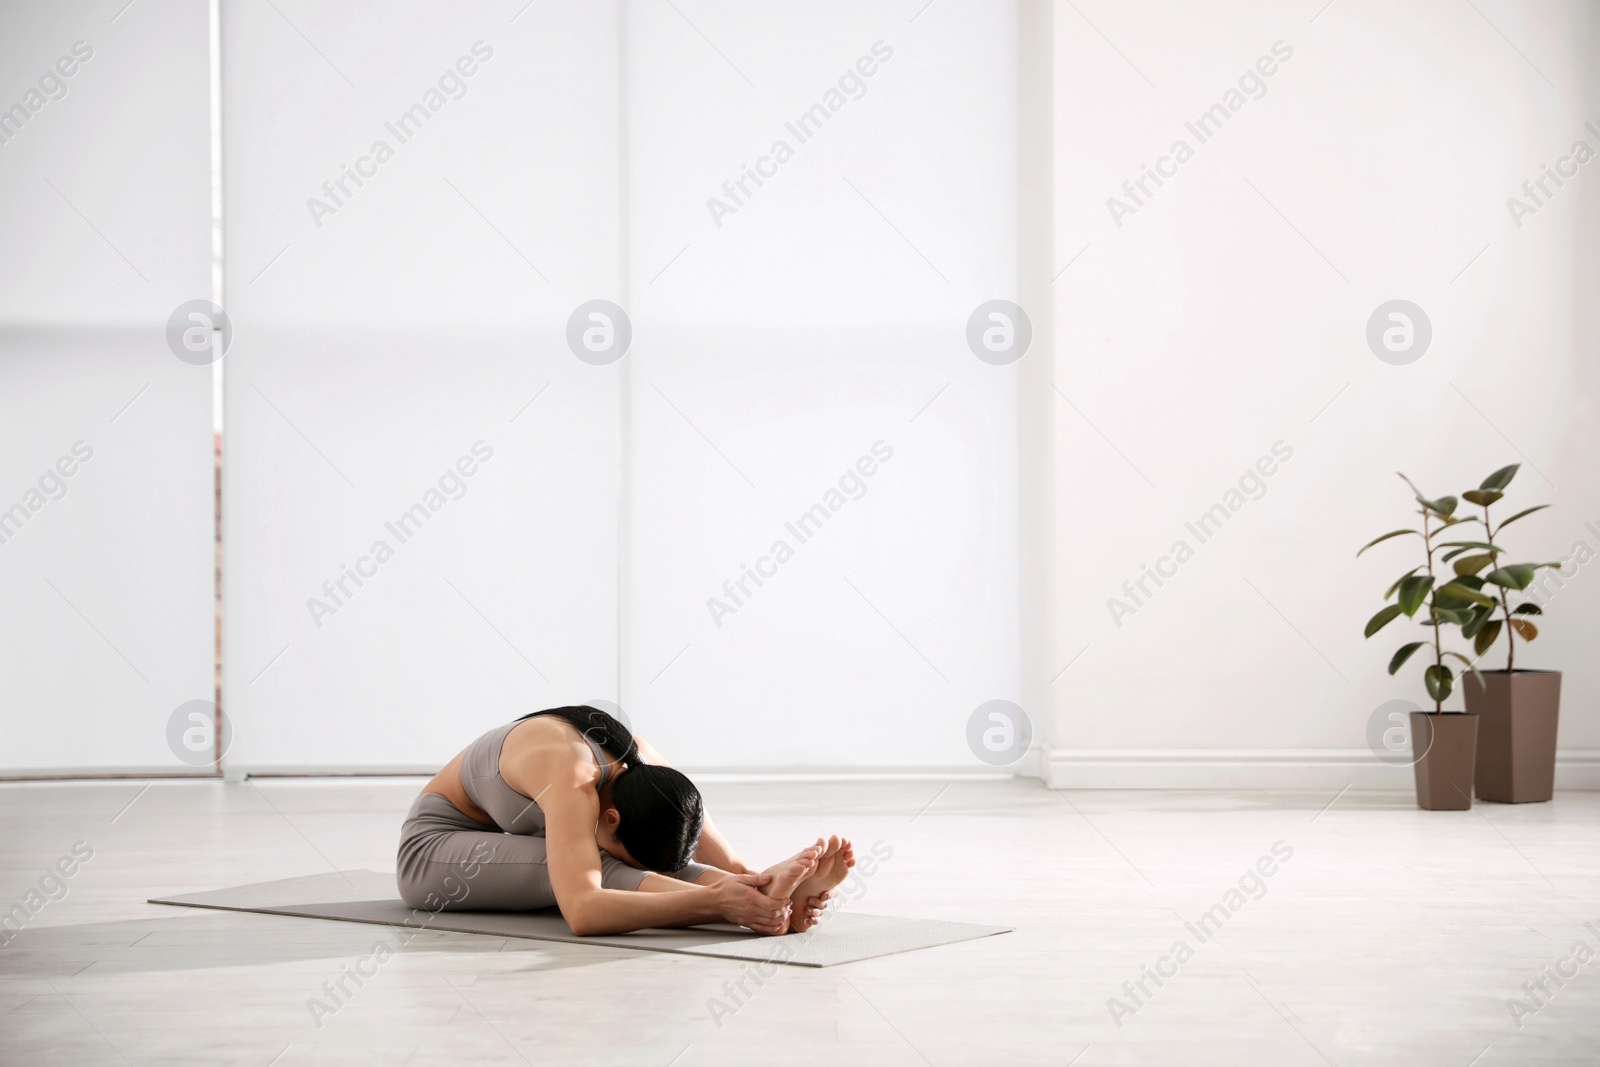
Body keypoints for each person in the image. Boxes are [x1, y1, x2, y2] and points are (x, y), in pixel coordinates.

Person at [397, 705, 854, 936]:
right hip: (435, 850)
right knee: (599, 869)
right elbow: (583, 909)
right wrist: (717, 905)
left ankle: (752, 899)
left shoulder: (646, 767)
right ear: (610, 817)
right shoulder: (572, 778)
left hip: (501, 839)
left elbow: (723, 857)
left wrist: (755, 882)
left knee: (640, 855)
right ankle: (737, 903)